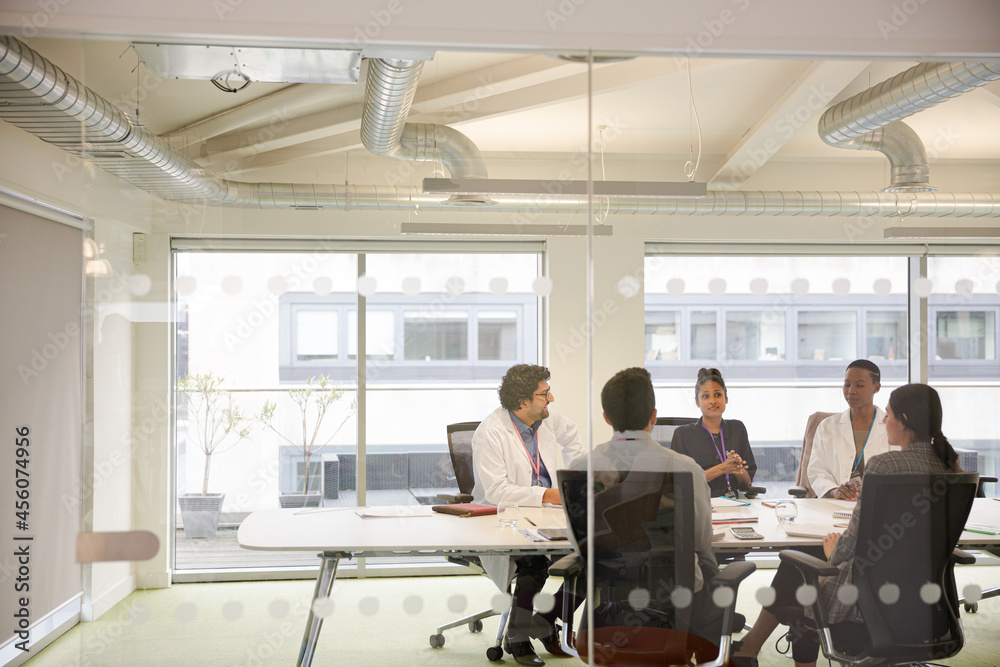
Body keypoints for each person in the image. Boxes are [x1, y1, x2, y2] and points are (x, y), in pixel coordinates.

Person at [733, 383, 963, 667]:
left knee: (802, 566)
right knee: (804, 564)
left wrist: (833, 552)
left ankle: (754, 648)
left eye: (888, 415)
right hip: (928, 604)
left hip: (867, 602)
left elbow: (854, 540)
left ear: (904, 420)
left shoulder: (884, 467)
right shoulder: (952, 468)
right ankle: (751, 647)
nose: (883, 420)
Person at [584, 367, 724, 658]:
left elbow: (582, 542)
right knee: (707, 562)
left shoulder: (579, 467)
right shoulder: (687, 469)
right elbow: (699, 541)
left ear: (607, 419)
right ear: (654, 416)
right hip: (676, 605)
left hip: (607, 608)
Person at [471, 364, 585, 666]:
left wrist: (577, 480)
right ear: (522, 402)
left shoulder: (547, 419)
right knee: (532, 560)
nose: (551, 398)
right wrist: (548, 495)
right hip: (505, 518)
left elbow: (573, 438)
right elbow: (496, 490)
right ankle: (518, 636)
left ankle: (546, 620)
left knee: (597, 553)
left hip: (549, 513)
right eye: (544, 394)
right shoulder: (491, 433)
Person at [808, 359, 894, 500]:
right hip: (837, 504)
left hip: (881, 503)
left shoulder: (891, 425)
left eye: (859, 385)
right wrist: (835, 490)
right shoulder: (827, 426)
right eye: (846, 384)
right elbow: (817, 471)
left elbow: (899, 470)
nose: (851, 391)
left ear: (876, 387)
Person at [671, 367, 757, 498]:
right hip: (698, 507)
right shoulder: (683, 435)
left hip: (734, 507)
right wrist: (723, 468)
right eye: (706, 396)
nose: (712, 401)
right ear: (697, 402)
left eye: (718, 395)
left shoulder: (737, 428)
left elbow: (746, 484)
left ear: (726, 398)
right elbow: (681, 482)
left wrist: (737, 468)